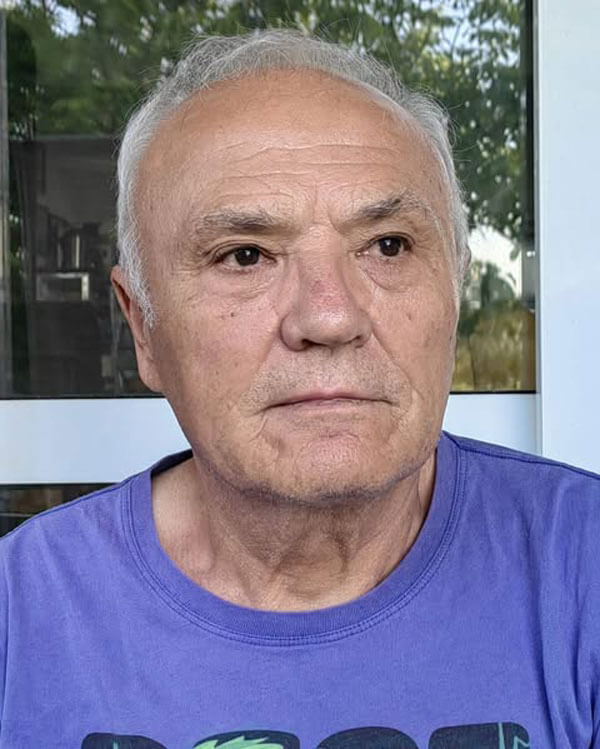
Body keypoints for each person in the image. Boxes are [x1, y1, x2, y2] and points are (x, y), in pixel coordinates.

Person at [1, 29, 599, 749]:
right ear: (143, 329)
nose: (330, 316)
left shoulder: (582, 564)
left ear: (454, 290)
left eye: (388, 245)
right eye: (245, 256)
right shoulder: (20, 614)